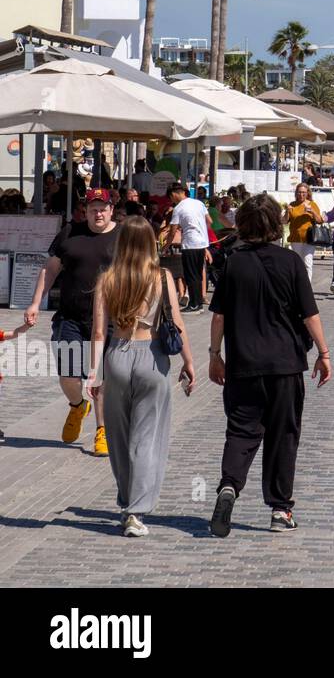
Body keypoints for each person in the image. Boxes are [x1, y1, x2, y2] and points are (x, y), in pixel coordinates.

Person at [207, 193, 331, 537]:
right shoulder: (291, 262)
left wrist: (215, 356)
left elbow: (218, 317)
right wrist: (324, 353)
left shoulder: (232, 263)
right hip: (285, 365)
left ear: (243, 225)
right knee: (283, 436)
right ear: (277, 226)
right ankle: (280, 510)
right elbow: (310, 315)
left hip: (243, 364)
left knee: (241, 431)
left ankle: (229, 486)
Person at [87, 215, 196, 537]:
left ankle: (127, 497)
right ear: (151, 243)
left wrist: (94, 375)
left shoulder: (107, 279)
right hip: (152, 356)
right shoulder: (161, 277)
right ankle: (136, 510)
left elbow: (97, 332)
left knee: (118, 438)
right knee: (147, 439)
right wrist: (190, 362)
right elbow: (177, 323)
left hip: (117, 356)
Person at [17, 188, 120, 455]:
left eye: (103, 208)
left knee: (101, 377)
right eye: (92, 208)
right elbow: (49, 269)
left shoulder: (123, 236)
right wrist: (35, 302)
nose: (98, 213)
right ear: (84, 211)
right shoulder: (69, 233)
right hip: (71, 317)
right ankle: (77, 405)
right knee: (68, 375)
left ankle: (102, 431)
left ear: (111, 210)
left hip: (109, 319)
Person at [167, 182, 212, 313]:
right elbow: (209, 222)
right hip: (201, 243)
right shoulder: (199, 203)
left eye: (171, 198)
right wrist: (201, 231)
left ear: (174, 194)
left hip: (190, 244)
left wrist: (166, 246)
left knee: (190, 274)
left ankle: (193, 303)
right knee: (197, 273)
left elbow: (172, 230)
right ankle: (197, 302)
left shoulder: (178, 208)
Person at [284, 183, 325, 281]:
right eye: (299, 192)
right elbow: (284, 221)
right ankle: (297, 284)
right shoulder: (292, 205)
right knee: (297, 263)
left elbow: (320, 220)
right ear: (296, 193)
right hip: (295, 238)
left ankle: (307, 286)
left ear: (307, 193)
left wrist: (312, 211)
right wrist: (287, 212)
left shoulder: (312, 204)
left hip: (309, 238)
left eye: (303, 192)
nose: (301, 194)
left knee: (307, 262)